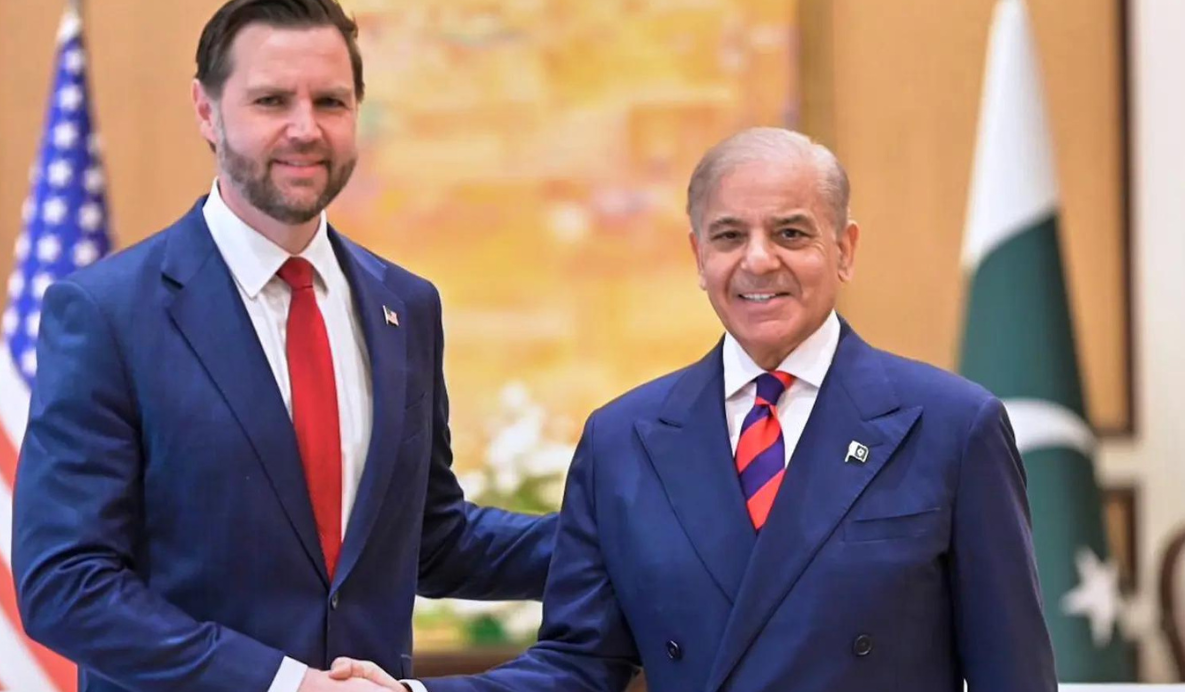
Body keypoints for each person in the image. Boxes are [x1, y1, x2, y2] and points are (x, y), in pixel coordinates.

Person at [332, 127, 1057, 692]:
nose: (758, 260)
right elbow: (578, 666)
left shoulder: (952, 427)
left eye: (792, 233)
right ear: (697, 256)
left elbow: (1014, 675)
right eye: (730, 235)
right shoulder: (623, 440)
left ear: (845, 249)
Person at [11, 0, 556, 692]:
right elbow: (64, 583)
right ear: (206, 111)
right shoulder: (108, 313)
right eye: (271, 101)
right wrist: (283, 683)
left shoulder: (406, 306)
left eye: (330, 102)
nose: (306, 129)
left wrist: (623, 540)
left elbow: (431, 540)